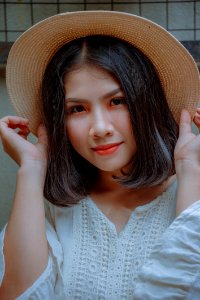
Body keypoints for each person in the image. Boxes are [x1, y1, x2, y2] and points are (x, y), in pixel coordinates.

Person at [0, 10, 200, 300]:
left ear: (147, 102)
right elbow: (18, 295)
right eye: (77, 109)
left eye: (117, 101)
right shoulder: (50, 209)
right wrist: (31, 169)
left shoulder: (191, 194)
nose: (100, 128)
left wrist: (190, 171)